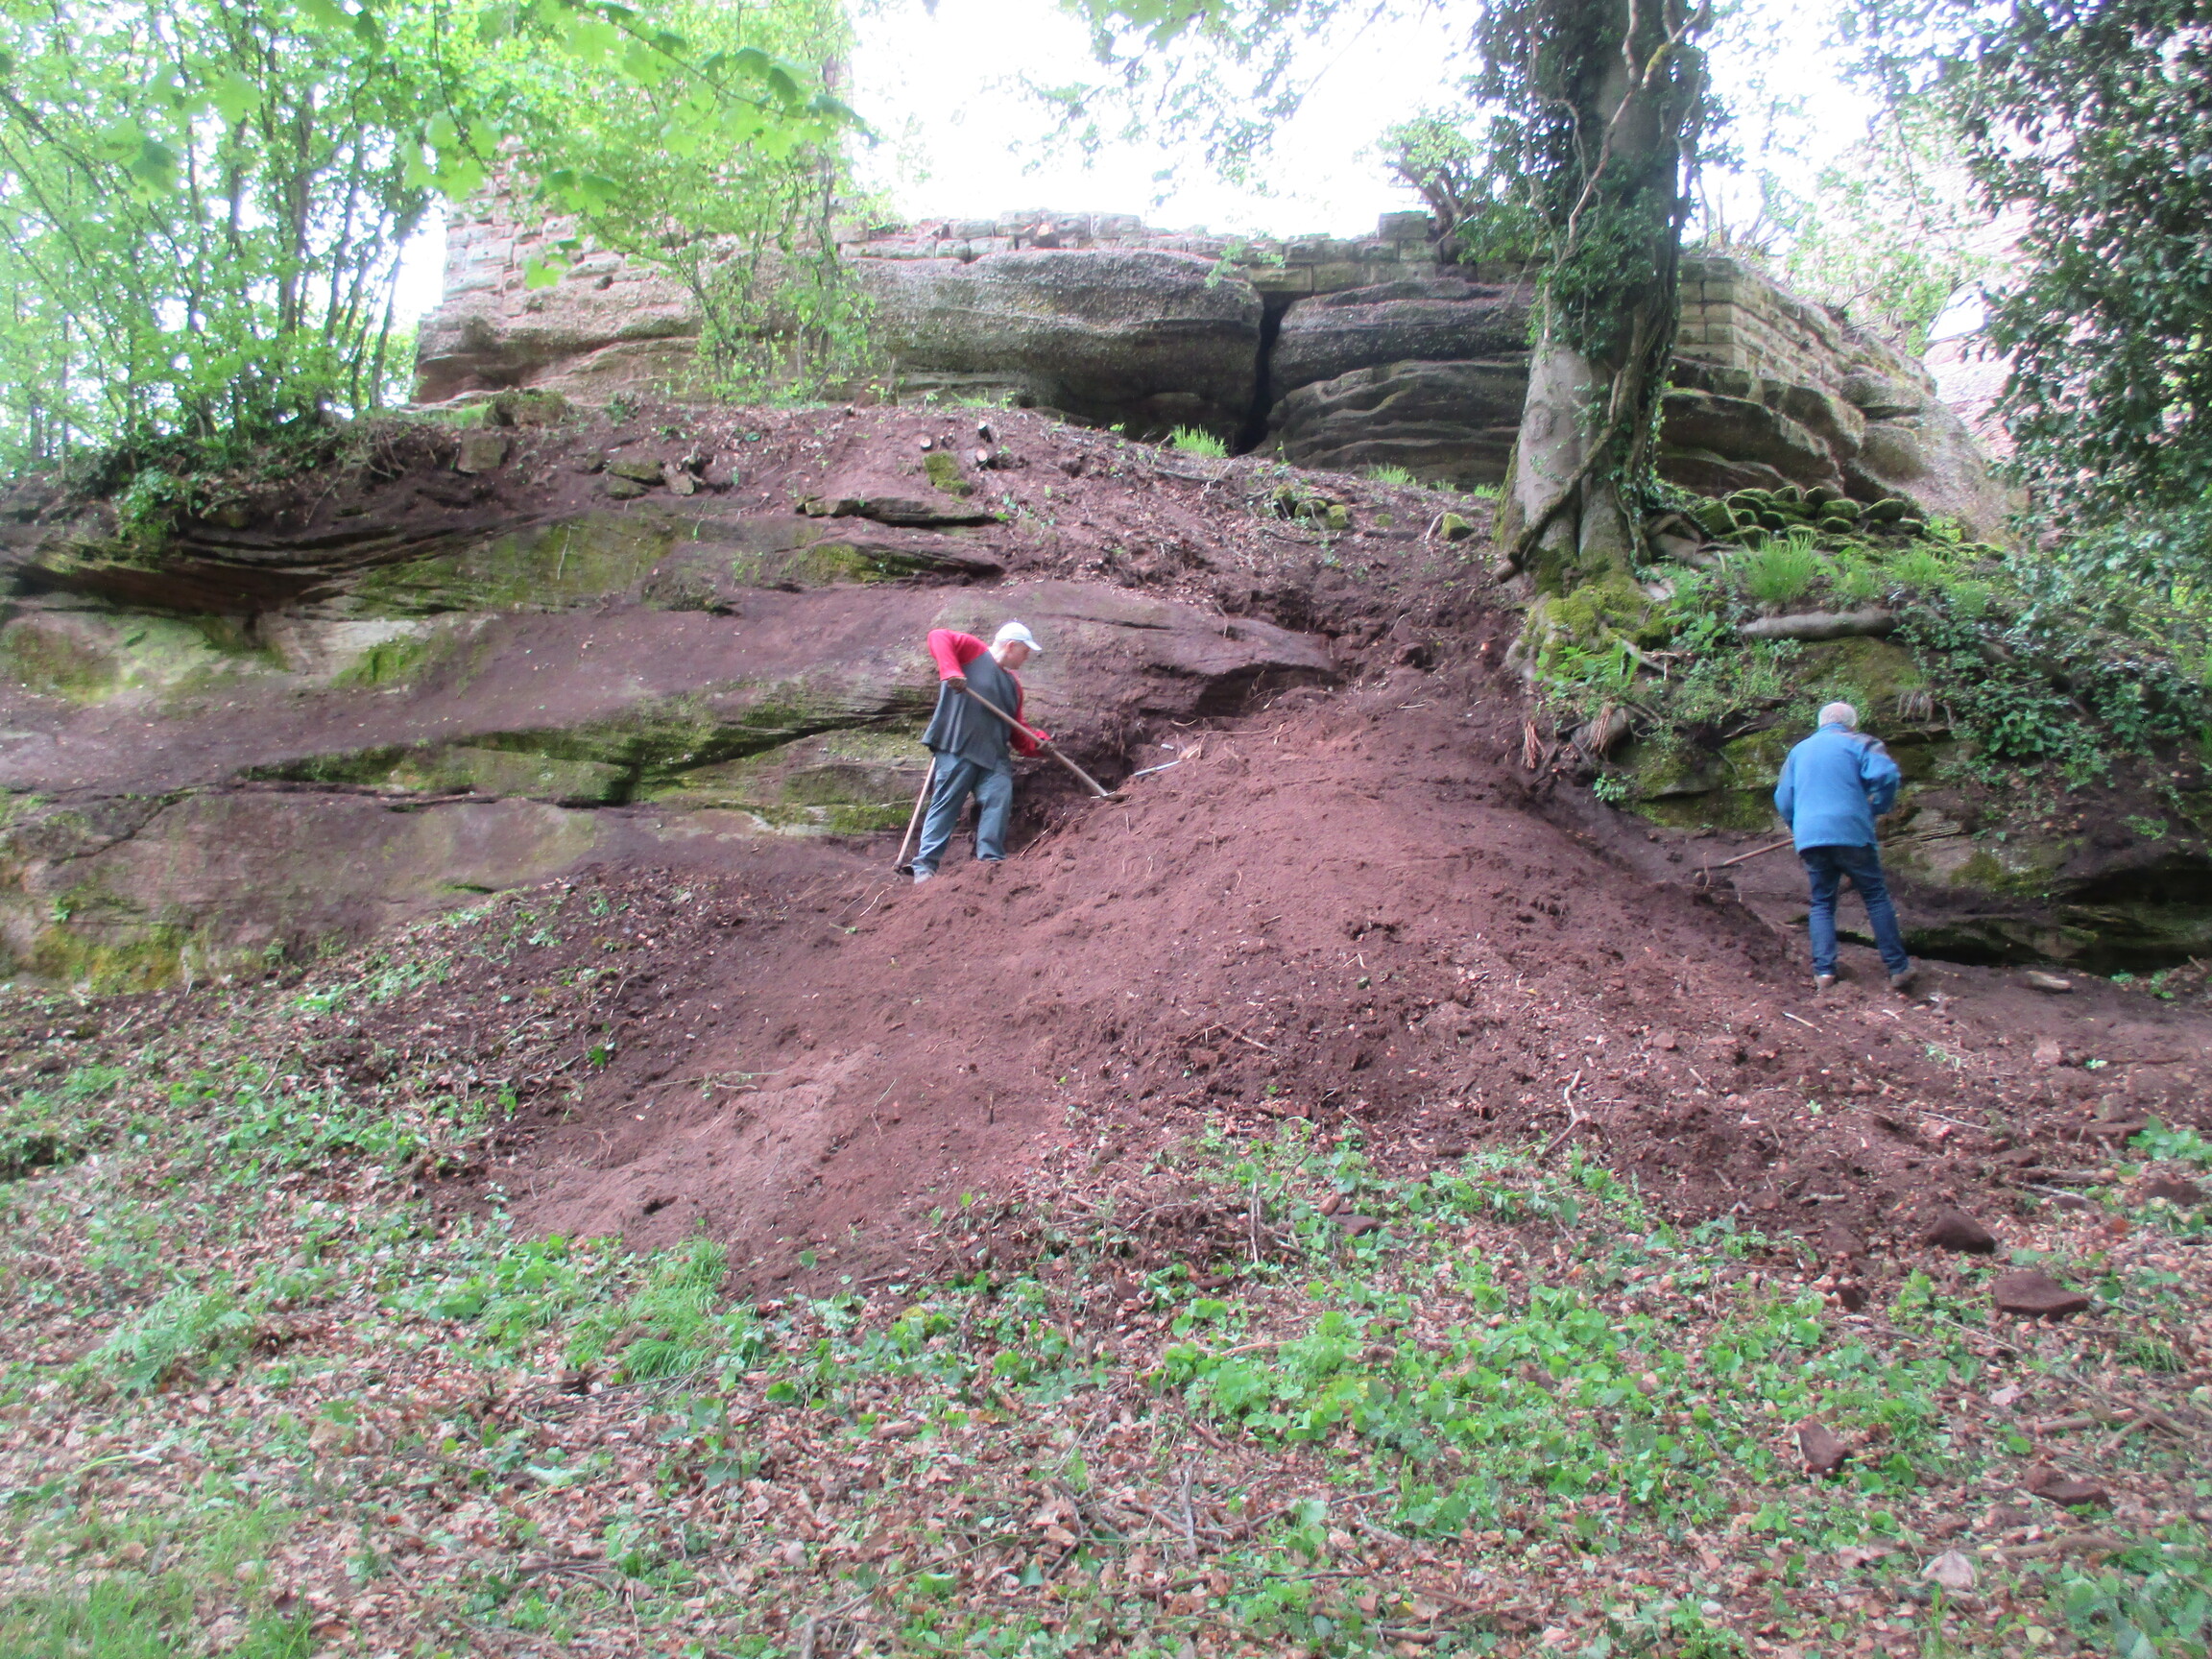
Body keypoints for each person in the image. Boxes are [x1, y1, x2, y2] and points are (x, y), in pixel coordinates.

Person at [1773, 702, 1917, 993]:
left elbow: (1783, 798)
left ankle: (1824, 972)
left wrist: (1799, 826)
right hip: (1852, 832)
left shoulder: (1798, 751)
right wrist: (1878, 807)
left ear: (1820, 723)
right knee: (1875, 896)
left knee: (1822, 902)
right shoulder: (1861, 743)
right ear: (1852, 724)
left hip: (1811, 837)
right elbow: (1887, 775)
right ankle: (1898, 968)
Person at [910, 621, 1047, 883]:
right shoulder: (973, 651)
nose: (1027, 657)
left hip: (994, 756)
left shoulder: (1013, 685)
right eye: (1025, 651)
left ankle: (990, 863)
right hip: (958, 747)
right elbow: (938, 636)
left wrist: (1039, 743)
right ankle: (925, 866)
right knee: (947, 804)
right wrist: (951, 671)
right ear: (1011, 646)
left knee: (998, 799)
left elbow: (1017, 729)